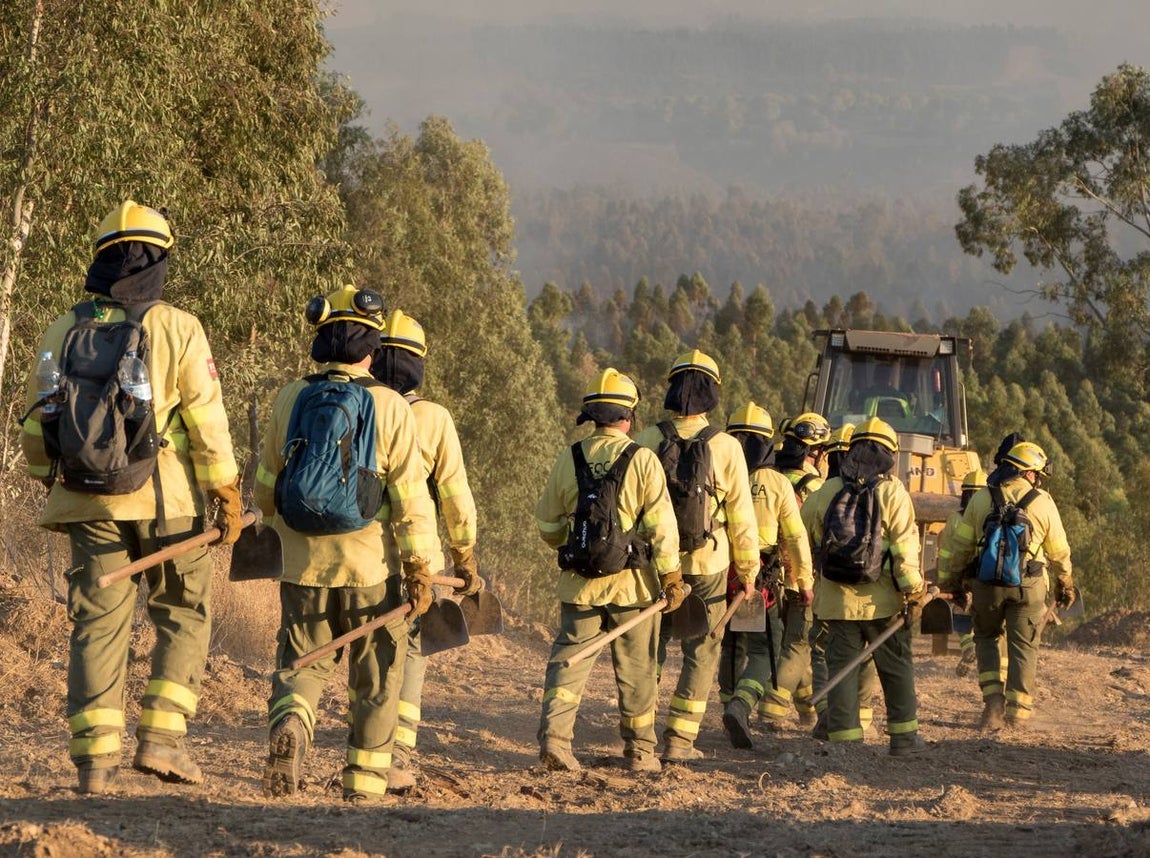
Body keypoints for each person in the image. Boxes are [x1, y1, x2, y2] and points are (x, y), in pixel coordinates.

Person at [20, 201, 242, 794]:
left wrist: (53, 476)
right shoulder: (178, 325)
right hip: (168, 502)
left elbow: (34, 424)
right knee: (184, 615)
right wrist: (226, 493)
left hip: (89, 502)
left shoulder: (64, 327)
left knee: (96, 624)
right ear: (158, 261)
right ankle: (162, 743)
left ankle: (95, 763)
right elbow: (206, 419)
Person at [257, 285, 438, 803]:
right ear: (371, 348)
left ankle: (291, 723)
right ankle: (363, 787)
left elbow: (267, 486)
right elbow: (410, 501)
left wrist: (270, 528)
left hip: (303, 564)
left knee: (302, 663)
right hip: (371, 569)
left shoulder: (291, 396)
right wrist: (419, 567)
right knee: (376, 676)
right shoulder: (389, 405)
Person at [535, 369, 682, 773]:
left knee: (570, 660)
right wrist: (672, 578)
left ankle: (556, 741)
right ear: (628, 417)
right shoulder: (643, 459)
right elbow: (662, 527)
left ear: (593, 416)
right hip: (633, 589)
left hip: (579, 586)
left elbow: (547, 526)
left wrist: (577, 542)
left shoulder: (570, 456)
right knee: (637, 671)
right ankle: (639, 753)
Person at [369, 309, 482, 791]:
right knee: (409, 648)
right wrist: (466, 558)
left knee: (359, 648)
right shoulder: (433, 417)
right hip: (418, 558)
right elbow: (455, 496)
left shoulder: (354, 401)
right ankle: (395, 753)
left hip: (358, 553)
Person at [634, 349, 758, 763]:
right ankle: (680, 741)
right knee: (702, 649)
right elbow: (741, 516)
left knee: (651, 644)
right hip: (709, 565)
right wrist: (749, 568)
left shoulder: (648, 439)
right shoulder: (726, 446)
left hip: (657, 566)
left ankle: (641, 734)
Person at [801, 417, 927, 755]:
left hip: (837, 602)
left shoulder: (826, 491)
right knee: (895, 667)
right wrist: (913, 592)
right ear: (889, 454)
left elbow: (808, 536)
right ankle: (903, 740)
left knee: (841, 668)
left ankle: (846, 743)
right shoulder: (893, 492)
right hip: (883, 602)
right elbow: (905, 549)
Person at [936, 441, 1074, 730]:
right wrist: (1065, 585)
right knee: (1023, 645)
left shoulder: (982, 498)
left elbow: (961, 546)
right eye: (1037, 474)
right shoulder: (1043, 502)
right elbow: (1059, 552)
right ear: (1029, 473)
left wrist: (953, 582)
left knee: (985, 638)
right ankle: (1019, 713)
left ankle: (993, 702)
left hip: (986, 585)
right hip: (1029, 586)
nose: (1038, 479)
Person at [720, 403, 814, 748]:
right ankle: (741, 705)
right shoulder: (776, 483)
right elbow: (795, 536)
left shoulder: (718, 469)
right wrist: (804, 581)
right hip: (759, 579)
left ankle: (725, 705)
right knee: (766, 645)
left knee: (730, 643)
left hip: (720, 573)